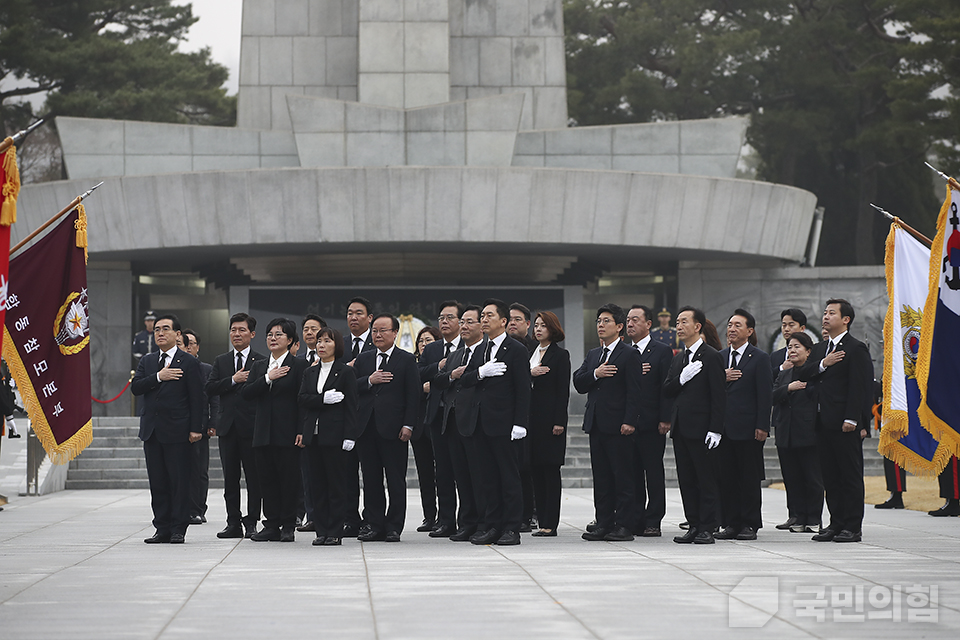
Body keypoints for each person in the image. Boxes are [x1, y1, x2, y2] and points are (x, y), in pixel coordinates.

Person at [460, 298, 532, 546]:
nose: (484, 320)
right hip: (481, 423)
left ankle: (512, 528)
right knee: (487, 478)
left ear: (503, 321)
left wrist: (520, 423)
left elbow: (524, 389)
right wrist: (481, 372)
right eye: (483, 316)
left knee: (509, 478)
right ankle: (492, 525)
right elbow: (466, 380)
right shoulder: (481, 349)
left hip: (505, 425)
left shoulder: (516, 350)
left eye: (489, 315)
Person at [131, 314, 204, 544]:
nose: (160, 333)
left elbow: (197, 398)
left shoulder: (189, 362)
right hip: (152, 431)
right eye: (157, 330)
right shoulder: (148, 361)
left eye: (165, 329)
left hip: (178, 431)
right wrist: (159, 377)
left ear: (177, 334)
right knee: (158, 482)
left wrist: (196, 428)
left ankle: (178, 528)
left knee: (179, 481)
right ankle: (161, 527)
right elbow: (137, 387)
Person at [573, 304, 642, 542]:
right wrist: (596, 374)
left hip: (619, 425)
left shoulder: (629, 354)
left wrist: (630, 421)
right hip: (596, 424)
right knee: (601, 477)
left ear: (619, 326)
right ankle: (603, 522)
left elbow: (635, 391)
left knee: (622, 476)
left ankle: (624, 524)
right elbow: (579, 382)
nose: (600, 325)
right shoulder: (594, 355)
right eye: (598, 321)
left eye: (606, 321)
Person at [354, 313, 420, 542]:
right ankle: (375, 525)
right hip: (366, 428)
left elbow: (413, 395)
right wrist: (368, 381)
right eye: (374, 331)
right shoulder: (364, 359)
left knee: (395, 480)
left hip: (394, 429)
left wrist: (408, 424)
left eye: (383, 330)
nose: (378, 334)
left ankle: (393, 527)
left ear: (395, 333)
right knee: (371, 480)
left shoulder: (406, 359)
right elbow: (352, 387)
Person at [242, 318, 309, 542]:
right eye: (270, 334)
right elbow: (247, 392)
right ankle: (271, 524)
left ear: (290, 340)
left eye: (279, 334)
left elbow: (303, 401)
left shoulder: (299, 365)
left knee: (289, 480)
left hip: (288, 432)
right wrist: (267, 378)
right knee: (266, 480)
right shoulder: (260, 366)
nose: (273, 338)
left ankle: (288, 524)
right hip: (262, 433)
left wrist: (302, 430)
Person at [663, 306, 726, 545]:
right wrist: (682, 377)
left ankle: (707, 527)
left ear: (697, 326)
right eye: (677, 322)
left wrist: (716, 429)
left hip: (703, 429)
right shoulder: (679, 358)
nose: (678, 326)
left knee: (705, 479)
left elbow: (719, 396)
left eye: (683, 322)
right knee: (687, 480)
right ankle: (694, 524)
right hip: (681, 428)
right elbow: (668, 389)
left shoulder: (712, 356)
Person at [811, 299, 871, 543]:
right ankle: (835, 523)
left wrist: (854, 419)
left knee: (849, 475)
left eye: (831, 313)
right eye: (825, 313)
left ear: (846, 319)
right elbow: (805, 373)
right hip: (822, 421)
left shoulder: (856, 348)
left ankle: (852, 526)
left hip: (845, 423)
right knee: (830, 476)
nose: (826, 317)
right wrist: (823, 364)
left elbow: (861, 387)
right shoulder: (820, 350)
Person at [297, 327, 359, 546]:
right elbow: (303, 399)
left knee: (336, 485)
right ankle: (321, 530)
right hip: (312, 436)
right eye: (319, 341)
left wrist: (350, 436)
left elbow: (352, 406)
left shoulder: (345, 372)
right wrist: (322, 399)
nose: (321, 345)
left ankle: (334, 531)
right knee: (317, 486)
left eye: (327, 341)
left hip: (335, 436)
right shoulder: (309, 372)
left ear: (337, 346)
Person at [205, 313, 265, 539]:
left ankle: (252, 522)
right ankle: (233, 522)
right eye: (233, 330)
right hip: (228, 428)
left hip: (252, 428)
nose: (236, 334)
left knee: (253, 478)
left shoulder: (261, 360)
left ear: (252, 334)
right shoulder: (222, 361)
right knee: (230, 478)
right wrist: (232, 380)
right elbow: (210, 388)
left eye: (241, 330)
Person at [715, 309, 772, 541]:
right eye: (729, 325)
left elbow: (765, 394)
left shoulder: (759, 358)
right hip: (723, 429)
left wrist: (762, 425)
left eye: (737, 325)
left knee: (748, 479)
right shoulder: (719, 358)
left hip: (749, 429)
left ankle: (749, 523)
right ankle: (731, 522)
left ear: (749, 331)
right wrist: (722, 377)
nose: (731, 329)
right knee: (726, 478)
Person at [433, 304, 486, 542]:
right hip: (452, 421)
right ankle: (466, 521)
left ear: (481, 325)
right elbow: (439, 381)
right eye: (462, 322)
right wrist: (451, 375)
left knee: (478, 475)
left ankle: (484, 522)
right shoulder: (455, 355)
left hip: (475, 421)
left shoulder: (486, 352)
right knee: (461, 476)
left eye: (469, 322)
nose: (464, 326)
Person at [624, 305, 674, 537]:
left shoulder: (661, 351)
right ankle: (635, 518)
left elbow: (666, 387)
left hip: (652, 423)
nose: (630, 324)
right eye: (628, 320)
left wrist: (665, 418)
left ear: (649, 324)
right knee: (631, 473)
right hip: (628, 423)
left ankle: (654, 519)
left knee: (653, 473)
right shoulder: (624, 352)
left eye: (635, 320)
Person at [418, 301, 463, 538]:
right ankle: (445, 520)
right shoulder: (433, 349)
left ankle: (467, 519)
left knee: (464, 471)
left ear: (460, 321)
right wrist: (440, 366)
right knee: (442, 471)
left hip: (461, 415)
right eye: (441, 318)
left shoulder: (469, 346)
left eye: (449, 318)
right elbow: (421, 371)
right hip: (437, 416)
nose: (444, 322)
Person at [772, 332, 823, 532]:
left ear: (808, 351)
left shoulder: (814, 372)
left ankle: (813, 518)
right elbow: (772, 395)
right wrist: (788, 388)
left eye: (797, 347)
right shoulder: (784, 373)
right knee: (792, 478)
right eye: (790, 347)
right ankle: (798, 517)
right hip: (786, 431)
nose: (792, 350)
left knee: (811, 477)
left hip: (808, 431)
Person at [528, 311, 570, 537]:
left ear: (552, 328)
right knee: (535, 470)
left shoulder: (560, 355)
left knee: (550, 471)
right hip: (530, 421)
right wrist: (529, 373)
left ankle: (550, 523)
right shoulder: (530, 354)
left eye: (543, 325)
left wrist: (559, 422)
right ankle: (540, 519)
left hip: (550, 421)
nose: (538, 329)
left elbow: (562, 391)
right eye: (536, 325)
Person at [770, 308, 808, 529]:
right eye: (783, 325)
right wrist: (781, 370)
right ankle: (793, 514)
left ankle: (809, 516)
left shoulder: (813, 354)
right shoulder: (776, 357)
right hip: (783, 420)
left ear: (802, 328)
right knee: (789, 472)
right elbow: (768, 386)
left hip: (804, 422)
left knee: (807, 472)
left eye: (791, 325)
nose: (786, 329)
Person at [342, 296, 375, 537]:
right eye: (350, 313)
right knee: (345, 473)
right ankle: (349, 519)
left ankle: (371, 519)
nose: (353, 317)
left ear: (370, 318)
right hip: (343, 419)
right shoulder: (338, 345)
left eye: (359, 313)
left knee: (372, 474)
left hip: (371, 420)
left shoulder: (380, 344)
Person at [181, 329, 219, 526]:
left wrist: (213, 424)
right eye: (183, 343)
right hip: (177, 427)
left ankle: (197, 509)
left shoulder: (206, 369)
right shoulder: (173, 367)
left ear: (197, 347)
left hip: (201, 427)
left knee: (199, 470)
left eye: (191, 344)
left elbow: (214, 398)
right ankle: (181, 509)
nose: (187, 347)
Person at [296, 313, 327, 533]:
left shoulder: (330, 360)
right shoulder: (297, 361)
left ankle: (324, 516)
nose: (309, 332)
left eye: (314, 329)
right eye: (306, 329)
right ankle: (308, 515)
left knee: (323, 475)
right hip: (301, 424)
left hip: (326, 426)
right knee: (305, 474)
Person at [508, 302, 537, 530]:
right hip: (503, 416)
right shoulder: (499, 348)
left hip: (531, 416)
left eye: (517, 319)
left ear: (527, 323)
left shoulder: (537, 348)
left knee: (527, 466)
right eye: (509, 319)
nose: (512, 323)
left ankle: (530, 512)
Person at [411, 325, 442, 533]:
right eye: (421, 341)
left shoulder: (442, 362)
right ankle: (429, 516)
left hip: (439, 424)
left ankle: (446, 516)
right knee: (425, 473)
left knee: (444, 472)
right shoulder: (413, 365)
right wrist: (421, 388)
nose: (424, 344)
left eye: (428, 340)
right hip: (419, 426)